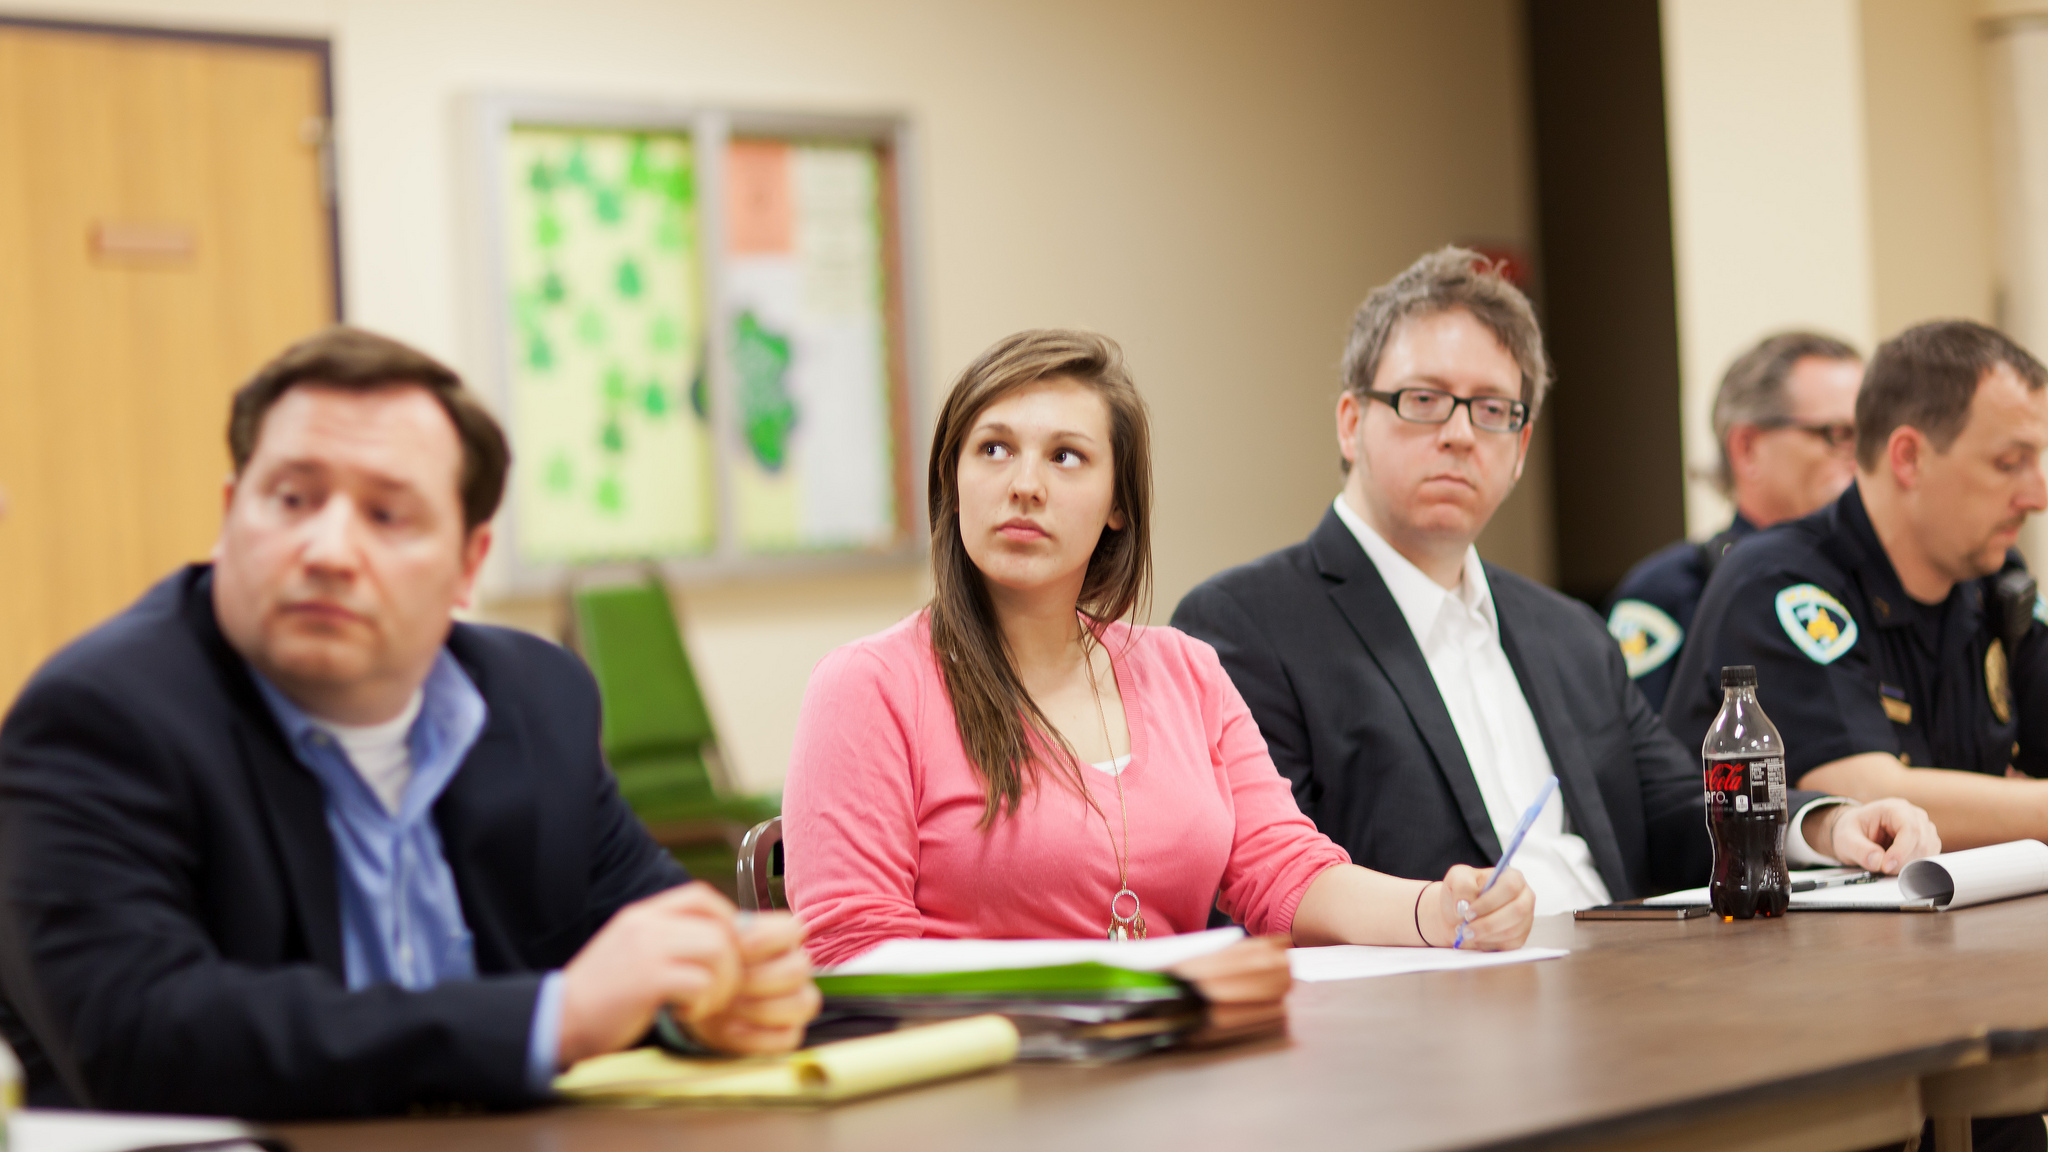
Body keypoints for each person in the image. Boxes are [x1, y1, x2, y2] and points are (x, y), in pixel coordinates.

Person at [0, 327, 819, 1119]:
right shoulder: (101, 717)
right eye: (291, 499)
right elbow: (142, 1039)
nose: (326, 548)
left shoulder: (533, 699)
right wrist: (552, 1018)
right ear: (228, 515)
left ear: (468, 563)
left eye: (388, 516)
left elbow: (653, 941)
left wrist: (708, 1000)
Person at [1171, 248, 1937, 916]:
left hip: (1624, 981)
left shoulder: (1567, 631)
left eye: (1494, 410)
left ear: (1522, 445)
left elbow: (1676, 806)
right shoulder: (1247, 625)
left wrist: (1827, 827)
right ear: (1350, 421)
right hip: (1430, 1011)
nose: (1461, 434)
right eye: (1424, 400)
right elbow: (1268, 881)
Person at [783, 329, 1536, 976]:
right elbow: (853, 948)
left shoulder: (1186, 670)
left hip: (1173, 1064)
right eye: (993, 449)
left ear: (1118, 505)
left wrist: (1439, 909)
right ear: (953, 480)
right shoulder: (868, 686)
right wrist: (1092, 987)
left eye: (1067, 457)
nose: (1023, 485)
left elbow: (1283, 871)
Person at [1666, 320, 2048, 850]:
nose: (2037, 495)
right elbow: (1873, 799)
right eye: (2009, 463)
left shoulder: (1994, 579)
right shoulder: (1778, 582)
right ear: (1908, 457)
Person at [1605, 332, 1862, 710]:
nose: (1864, 457)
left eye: (1871, 435)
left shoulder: (1877, 583)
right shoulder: (1669, 593)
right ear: (1747, 448)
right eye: (1837, 434)